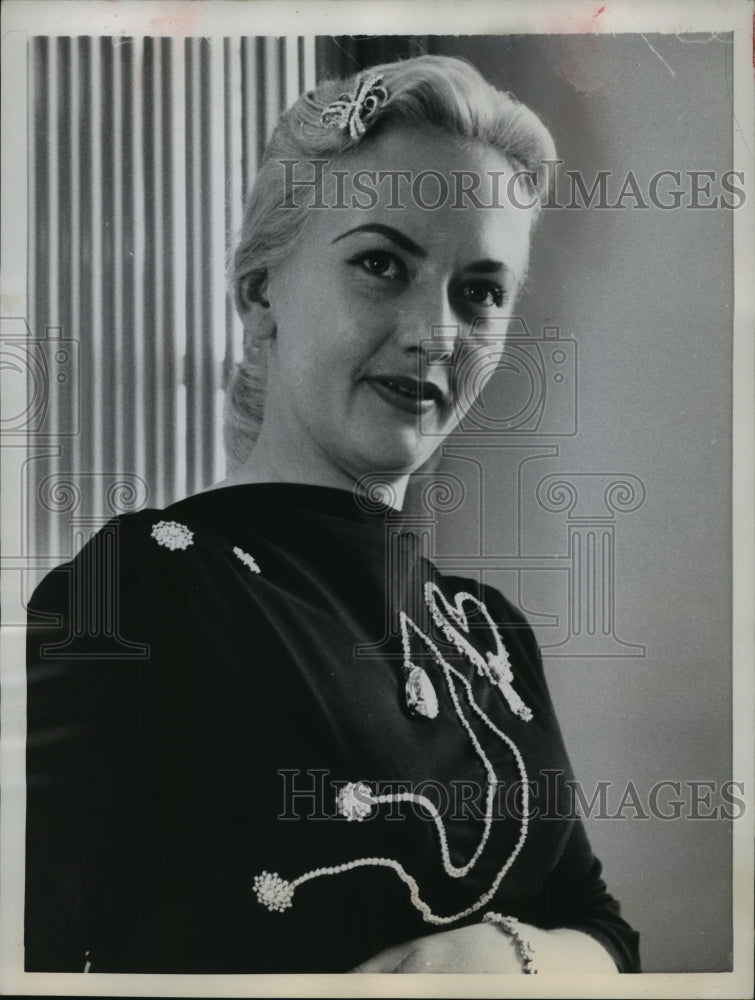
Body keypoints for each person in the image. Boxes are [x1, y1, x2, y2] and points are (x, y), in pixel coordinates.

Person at [25, 54, 641, 975]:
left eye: (478, 292)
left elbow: (603, 934)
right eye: (381, 264)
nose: (434, 334)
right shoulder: (138, 592)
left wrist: (498, 959)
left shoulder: (491, 634)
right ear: (261, 291)